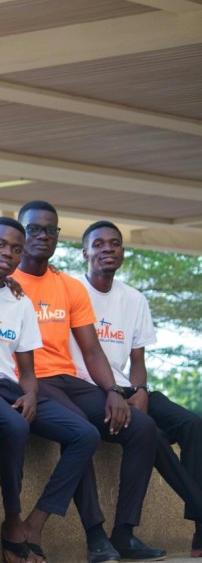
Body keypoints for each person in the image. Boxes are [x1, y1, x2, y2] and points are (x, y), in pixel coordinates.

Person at [10, 200, 163, 563]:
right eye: (34, 229)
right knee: (81, 430)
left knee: (142, 426)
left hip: (68, 379)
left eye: (51, 230)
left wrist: (112, 391)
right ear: (20, 232)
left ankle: (124, 532)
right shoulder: (5, 280)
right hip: (26, 379)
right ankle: (95, 535)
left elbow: (91, 349)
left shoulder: (68, 286)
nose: (43, 236)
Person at [0, 217, 101, 563]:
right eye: (0, 245)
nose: (7, 254)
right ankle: (12, 520)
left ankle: (35, 521)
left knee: (85, 434)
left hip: (9, 387)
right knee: (15, 426)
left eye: (16, 249)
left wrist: (29, 395)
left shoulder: (20, 301)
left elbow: (27, 370)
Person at [72, 220, 202, 558]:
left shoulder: (134, 298)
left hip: (130, 388)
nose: (107, 249)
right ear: (85, 252)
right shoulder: (73, 293)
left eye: (114, 243)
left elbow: (137, 359)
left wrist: (141, 389)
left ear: (123, 252)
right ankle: (130, 533)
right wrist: (117, 391)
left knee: (192, 424)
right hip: (92, 390)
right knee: (151, 436)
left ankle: (199, 528)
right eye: (98, 244)